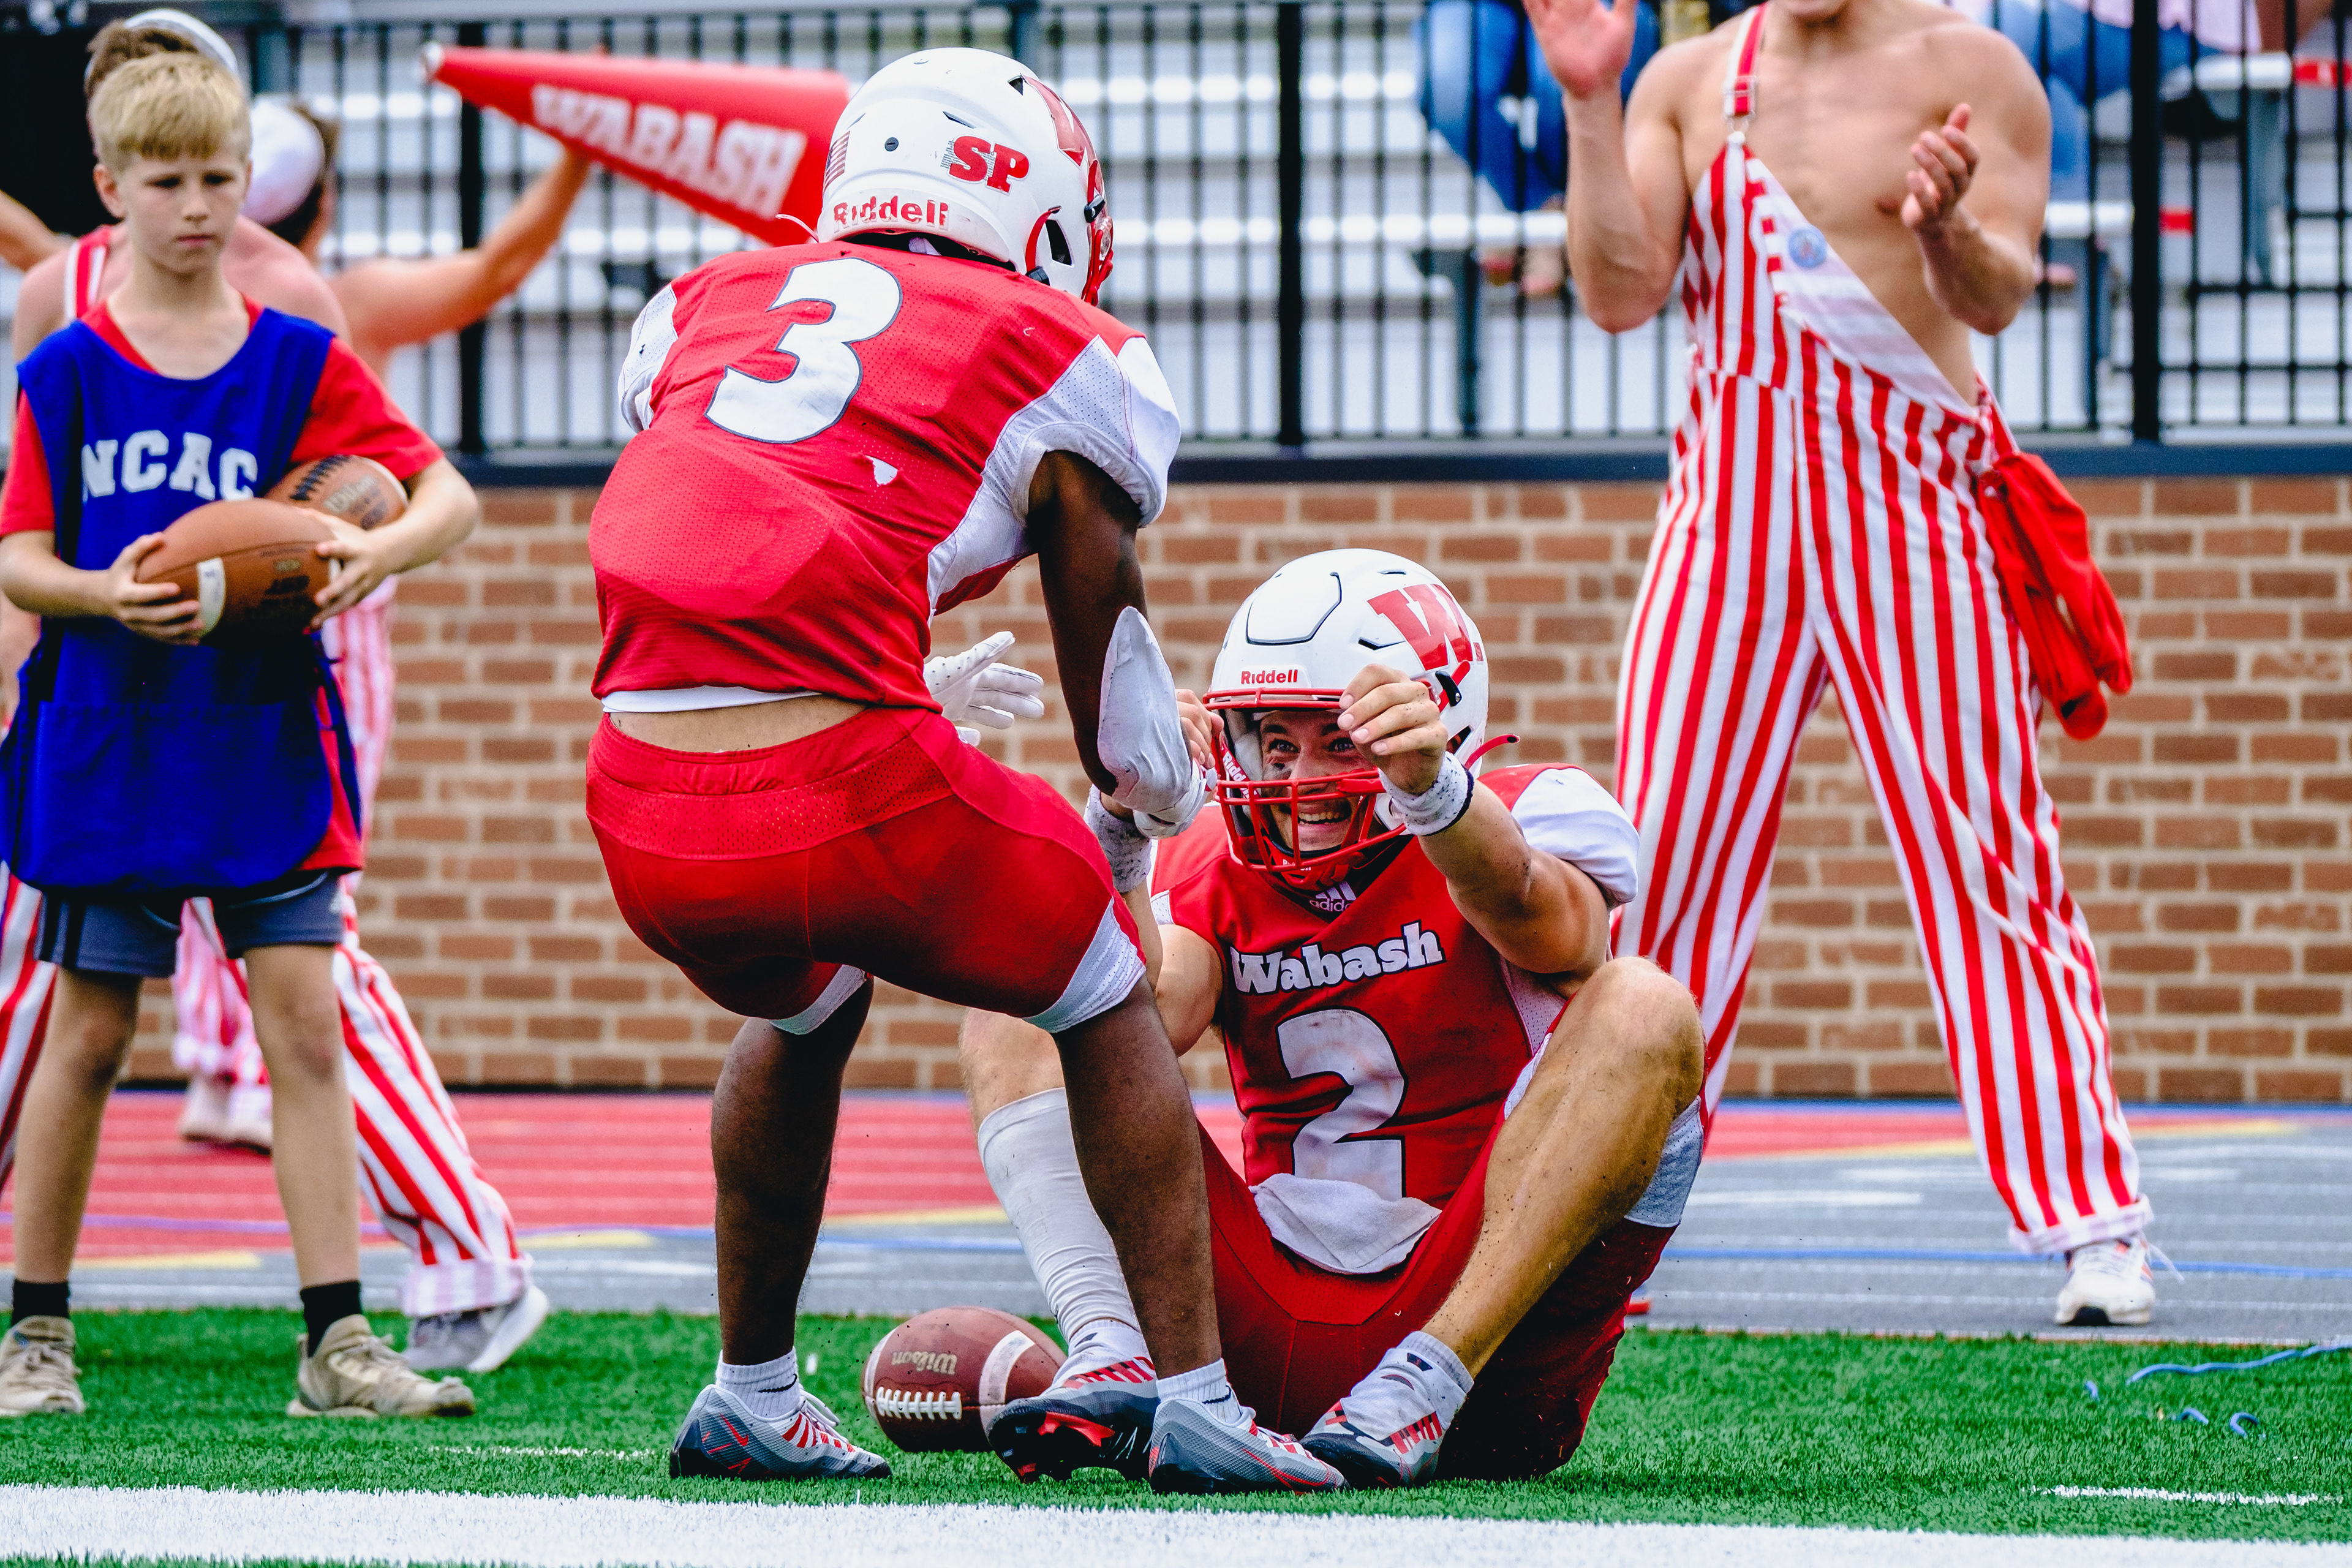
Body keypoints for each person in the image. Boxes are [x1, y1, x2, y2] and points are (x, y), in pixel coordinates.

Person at [587, 47, 1343, 1493]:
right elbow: (1117, 716)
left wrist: (889, 667)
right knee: (1102, 978)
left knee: (812, 996)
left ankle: (749, 1388)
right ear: (1037, 210)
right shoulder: (1063, 347)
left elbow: (720, 530)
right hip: (840, 778)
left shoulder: (693, 308)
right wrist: (1155, 798)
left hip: (634, 784)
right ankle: (1190, 1394)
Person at [1539, 0, 2157, 1324]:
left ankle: (2092, 1222)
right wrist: (1592, 104)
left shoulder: (1976, 67)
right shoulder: (1692, 78)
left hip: (1912, 514)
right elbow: (1618, 293)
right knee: (1665, 878)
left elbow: (1998, 291)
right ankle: (1601, 1223)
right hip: (1727, 531)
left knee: (1989, 862)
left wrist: (1943, 226)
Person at [0, 10, 548, 1375]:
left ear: (250, 175)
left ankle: (338, 1337)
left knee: (303, 1019)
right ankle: (38, 1328)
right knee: (88, 1026)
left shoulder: (297, 352)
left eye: (219, 177)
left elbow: (448, 493)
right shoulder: (64, 363)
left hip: (259, 738)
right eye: (167, 179)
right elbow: (18, 550)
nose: (196, 205)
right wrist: (97, 594)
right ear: (111, 182)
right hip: (110, 731)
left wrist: (376, 548)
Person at [959, 549, 1705, 1487]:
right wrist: (1121, 827)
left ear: (1440, 724)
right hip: (1259, 1332)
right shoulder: (1217, 863)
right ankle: (1115, 1345)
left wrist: (1436, 797)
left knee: (1645, 1004)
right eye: (1276, 741)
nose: (1301, 780)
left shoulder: (1525, 814)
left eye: (1337, 742)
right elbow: (1137, 1011)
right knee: (1041, 989)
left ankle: (1423, 1380)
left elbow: (1550, 926)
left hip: (1482, 1348)